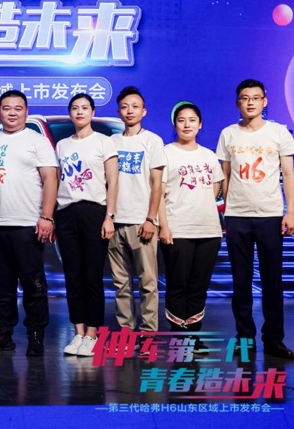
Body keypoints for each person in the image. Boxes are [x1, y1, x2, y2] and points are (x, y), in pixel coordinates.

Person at [217, 79, 294, 359]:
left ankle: (273, 339)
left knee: (272, 280)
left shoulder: (278, 132)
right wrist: (225, 212)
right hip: (237, 216)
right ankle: (244, 338)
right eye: (245, 98)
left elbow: (288, 174)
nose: (250, 102)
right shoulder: (228, 134)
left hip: (270, 216)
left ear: (265, 101)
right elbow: (225, 176)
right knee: (240, 281)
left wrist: (290, 212)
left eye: (255, 98)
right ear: (237, 102)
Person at [0, 90, 58, 357]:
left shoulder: (38, 141)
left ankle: (35, 334)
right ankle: (3, 334)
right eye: (6, 108)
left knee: (33, 284)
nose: (12, 112)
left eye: (18, 108)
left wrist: (47, 216)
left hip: (27, 224)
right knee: (1, 285)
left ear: (26, 111)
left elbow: (50, 179)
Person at [55, 93, 118, 357]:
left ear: (92, 112)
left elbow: (113, 182)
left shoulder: (104, 142)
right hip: (66, 213)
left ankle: (93, 334)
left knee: (92, 275)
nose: (79, 112)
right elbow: (56, 181)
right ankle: (78, 332)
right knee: (73, 276)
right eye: (75, 108)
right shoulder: (61, 145)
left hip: (94, 212)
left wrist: (109, 216)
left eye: (84, 107)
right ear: (70, 113)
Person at [158, 102, 224, 353]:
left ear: (200, 124)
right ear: (175, 125)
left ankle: (194, 336)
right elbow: (158, 193)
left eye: (192, 120)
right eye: (181, 120)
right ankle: (180, 338)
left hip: (209, 231)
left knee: (199, 286)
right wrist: (164, 226)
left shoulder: (208, 155)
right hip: (178, 229)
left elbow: (215, 189)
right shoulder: (165, 153)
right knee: (178, 284)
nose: (187, 125)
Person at [108, 86, 164, 350]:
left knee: (148, 282)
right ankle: (126, 333)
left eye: (135, 106)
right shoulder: (111, 142)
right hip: (114, 221)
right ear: (119, 111)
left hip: (142, 222)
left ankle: (148, 334)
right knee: (120, 283)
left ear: (144, 111)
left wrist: (151, 219)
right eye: (124, 106)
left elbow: (157, 184)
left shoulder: (152, 141)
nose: (129, 111)